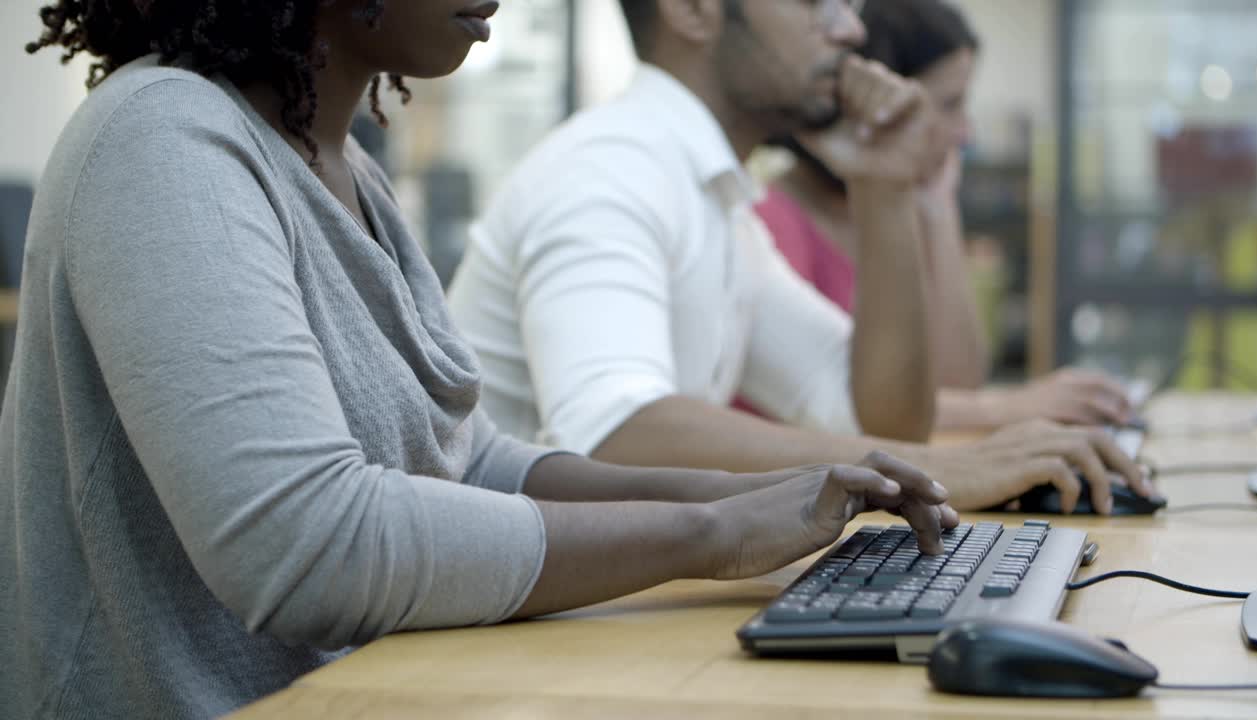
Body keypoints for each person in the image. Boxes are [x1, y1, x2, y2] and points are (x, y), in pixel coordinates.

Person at [0, 2, 957, 717]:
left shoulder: (346, 168)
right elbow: (306, 544)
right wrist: (712, 533)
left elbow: (471, 459)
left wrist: (753, 497)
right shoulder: (162, 138)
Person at [447, 0, 1157, 513]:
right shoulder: (608, 168)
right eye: (814, 2)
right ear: (691, 10)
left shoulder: (718, 204)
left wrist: (884, 188)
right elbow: (611, 433)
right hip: (498, 637)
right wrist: (948, 466)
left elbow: (880, 417)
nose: (849, 30)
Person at [758, 0, 1135, 430]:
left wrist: (939, 207)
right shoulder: (775, 221)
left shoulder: (898, 214)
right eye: (950, 104)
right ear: (875, 99)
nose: (965, 131)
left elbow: (959, 379)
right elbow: (843, 411)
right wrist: (1010, 407)